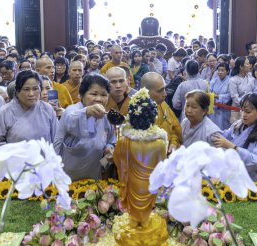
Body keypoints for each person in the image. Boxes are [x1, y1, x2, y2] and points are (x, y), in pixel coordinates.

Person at [113, 87, 167, 227]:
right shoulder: (160, 143)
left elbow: (117, 161)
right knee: (146, 220)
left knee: (132, 220)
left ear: (131, 116)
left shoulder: (124, 142)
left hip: (131, 185)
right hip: (150, 187)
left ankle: (134, 222)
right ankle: (144, 222)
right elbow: (162, 168)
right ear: (153, 117)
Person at [54, 74, 116, 180]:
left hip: (93, 177)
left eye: (104, 95)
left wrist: (109, 148)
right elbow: (70, 119)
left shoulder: (106, 117)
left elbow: (111, 140)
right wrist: (87, 111)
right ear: (81, 95)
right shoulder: (72, 110)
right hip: (65, 178)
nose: (99, 99)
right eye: (94, 94)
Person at [0, 70, 58, 153]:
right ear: (17, 91)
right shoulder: (4, 112)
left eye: (35, 89)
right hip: (16, 163)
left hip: (44, 163)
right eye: (26, 89)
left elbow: (56, 138)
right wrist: (14, 156)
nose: (31, 94)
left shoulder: (47, 109)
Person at [213, 93, 257, 181]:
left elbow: (254, 162)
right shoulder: (238, 123)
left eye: (247, 111)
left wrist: (232, 147)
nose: (243, 114)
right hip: (232, 176)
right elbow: (224, 135)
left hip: (253, 181)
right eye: (242, 110)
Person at [141, 72, 182, 154]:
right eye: (160, 91)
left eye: (164, 89)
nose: (165, 94)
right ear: (146, 92)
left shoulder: (163, 104)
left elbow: (175, 129)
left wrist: (174, 143)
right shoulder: (137, 114)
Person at [229, 56, 257, 123]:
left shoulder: (251, 76)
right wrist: (246, 105)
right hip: (238, 108)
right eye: (247, 64)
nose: (250, 65)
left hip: (252, 106)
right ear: (241, 67)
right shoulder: (233, 80)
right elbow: (234, 97)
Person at [209, 62, 232, 130]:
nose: (220, 72)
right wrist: (212, 95)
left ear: (227, 71)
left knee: (223, 129)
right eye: (218, 70)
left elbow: (229, 95)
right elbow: (209, 90)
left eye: (222, 70)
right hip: (213, 108)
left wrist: (217, 96)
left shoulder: (230, 81)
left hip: (224, 110)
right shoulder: (214, 80)